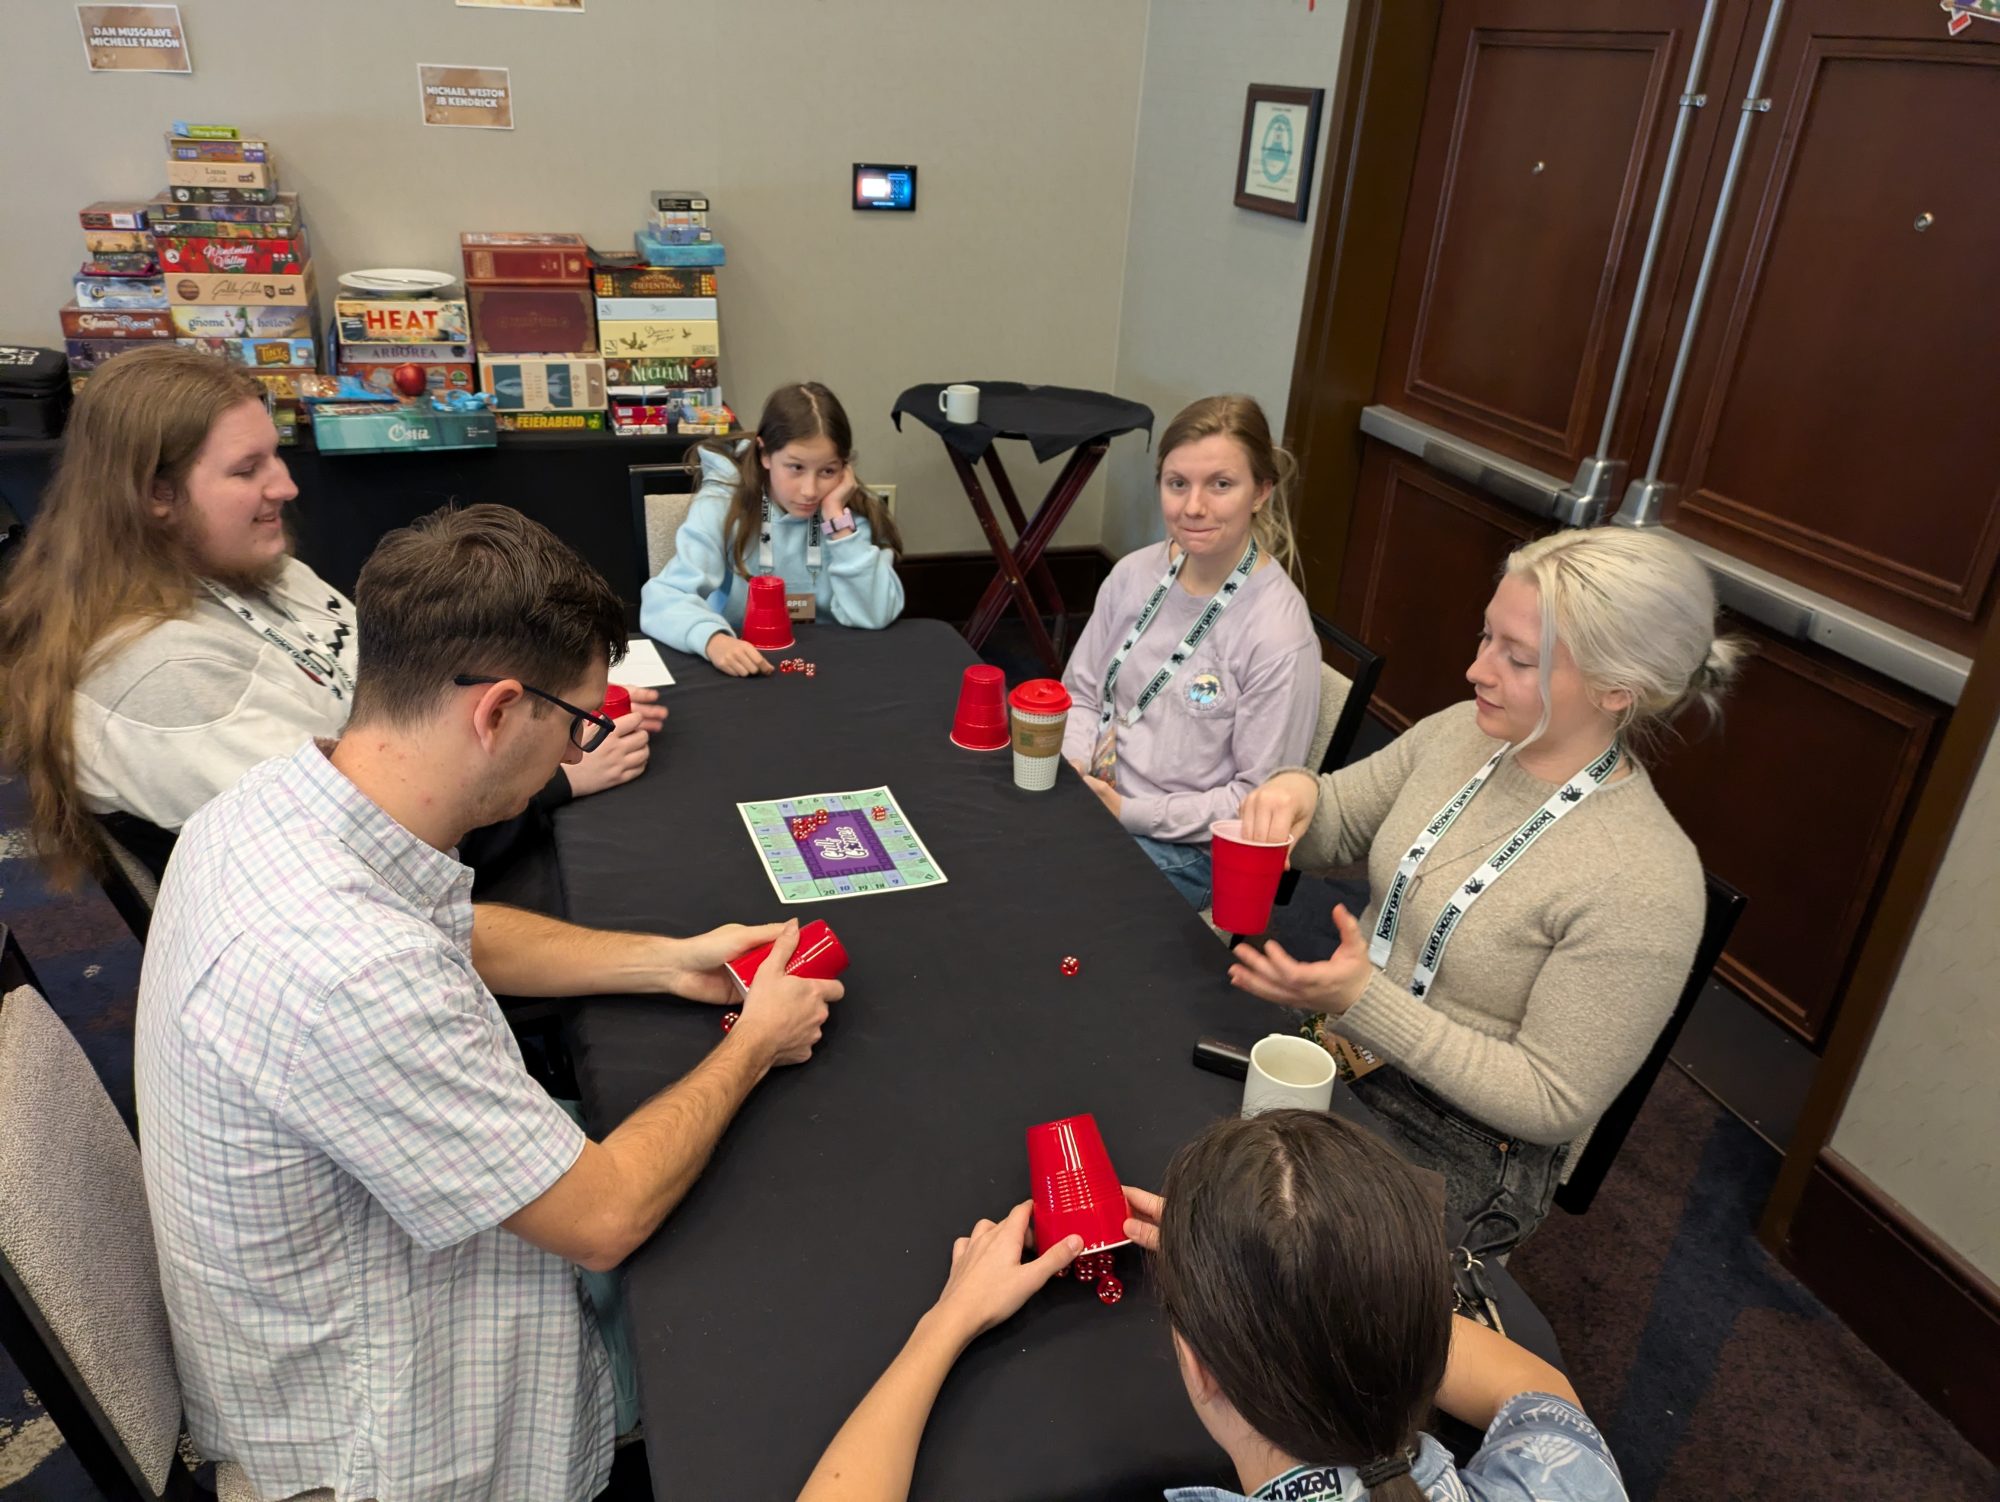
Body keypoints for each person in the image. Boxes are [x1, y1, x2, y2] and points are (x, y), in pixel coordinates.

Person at [135, 504, 842, 1502]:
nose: (575, 752)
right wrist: (755, 1042)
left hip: (309, 1313)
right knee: (800, 1320)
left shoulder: (267, 805)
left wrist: (664, 961)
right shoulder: (354, 975)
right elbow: (604, 1217)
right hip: (380, 1438)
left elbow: (440, 923)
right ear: (499, 711)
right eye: (577, 722)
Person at [1231, 526, 1741, 1249]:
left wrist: (1365, 1000)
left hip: (1464, 1138)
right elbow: (1337, 824)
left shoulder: (1646, 882)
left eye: (1518, 658)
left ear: (1615, 690)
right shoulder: (1463, 734)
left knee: (1264, 1249)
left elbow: (1550, 1100)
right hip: (1344, 1038)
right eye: (1486, 637)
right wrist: (1295, 796)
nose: (1477, 670)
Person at [0, 344, 663, 891]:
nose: (285, 486)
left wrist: (549, 707)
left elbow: (401, 685)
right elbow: (366, 854)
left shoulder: (256, 568)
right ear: (154, 494)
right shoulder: (161, 679)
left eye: (274, 455)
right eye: (246, 470)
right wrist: (548, 779)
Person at [798, 1110, 1624, 1502]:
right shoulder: (1564, 1482)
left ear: (1202, 1369)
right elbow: (1540, 1393)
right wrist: (1304, 1271)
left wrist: (943, 1325)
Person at [1060, 395, 1317, 911]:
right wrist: (1071, 768)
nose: (1193, 507)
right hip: (1098, 795)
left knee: (1051, 891)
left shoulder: (1277, 633)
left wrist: (1127, 812)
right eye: (1178, 484)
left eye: (1220, 484)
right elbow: (1083, 695)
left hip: (1189, 849)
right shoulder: (1133, 574)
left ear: (1261, 492)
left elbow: (1253, 800)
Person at [639, 380, 904, 676]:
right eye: (796, 467)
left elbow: (876, 613)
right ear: (764, 454)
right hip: (744, 664)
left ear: (845, 467)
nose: (810, 490)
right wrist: (713, 640)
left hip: (829, 667)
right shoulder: (721, 505)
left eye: (828, 471)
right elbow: (663, 598)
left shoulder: (849, 512)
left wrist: (838, 525)